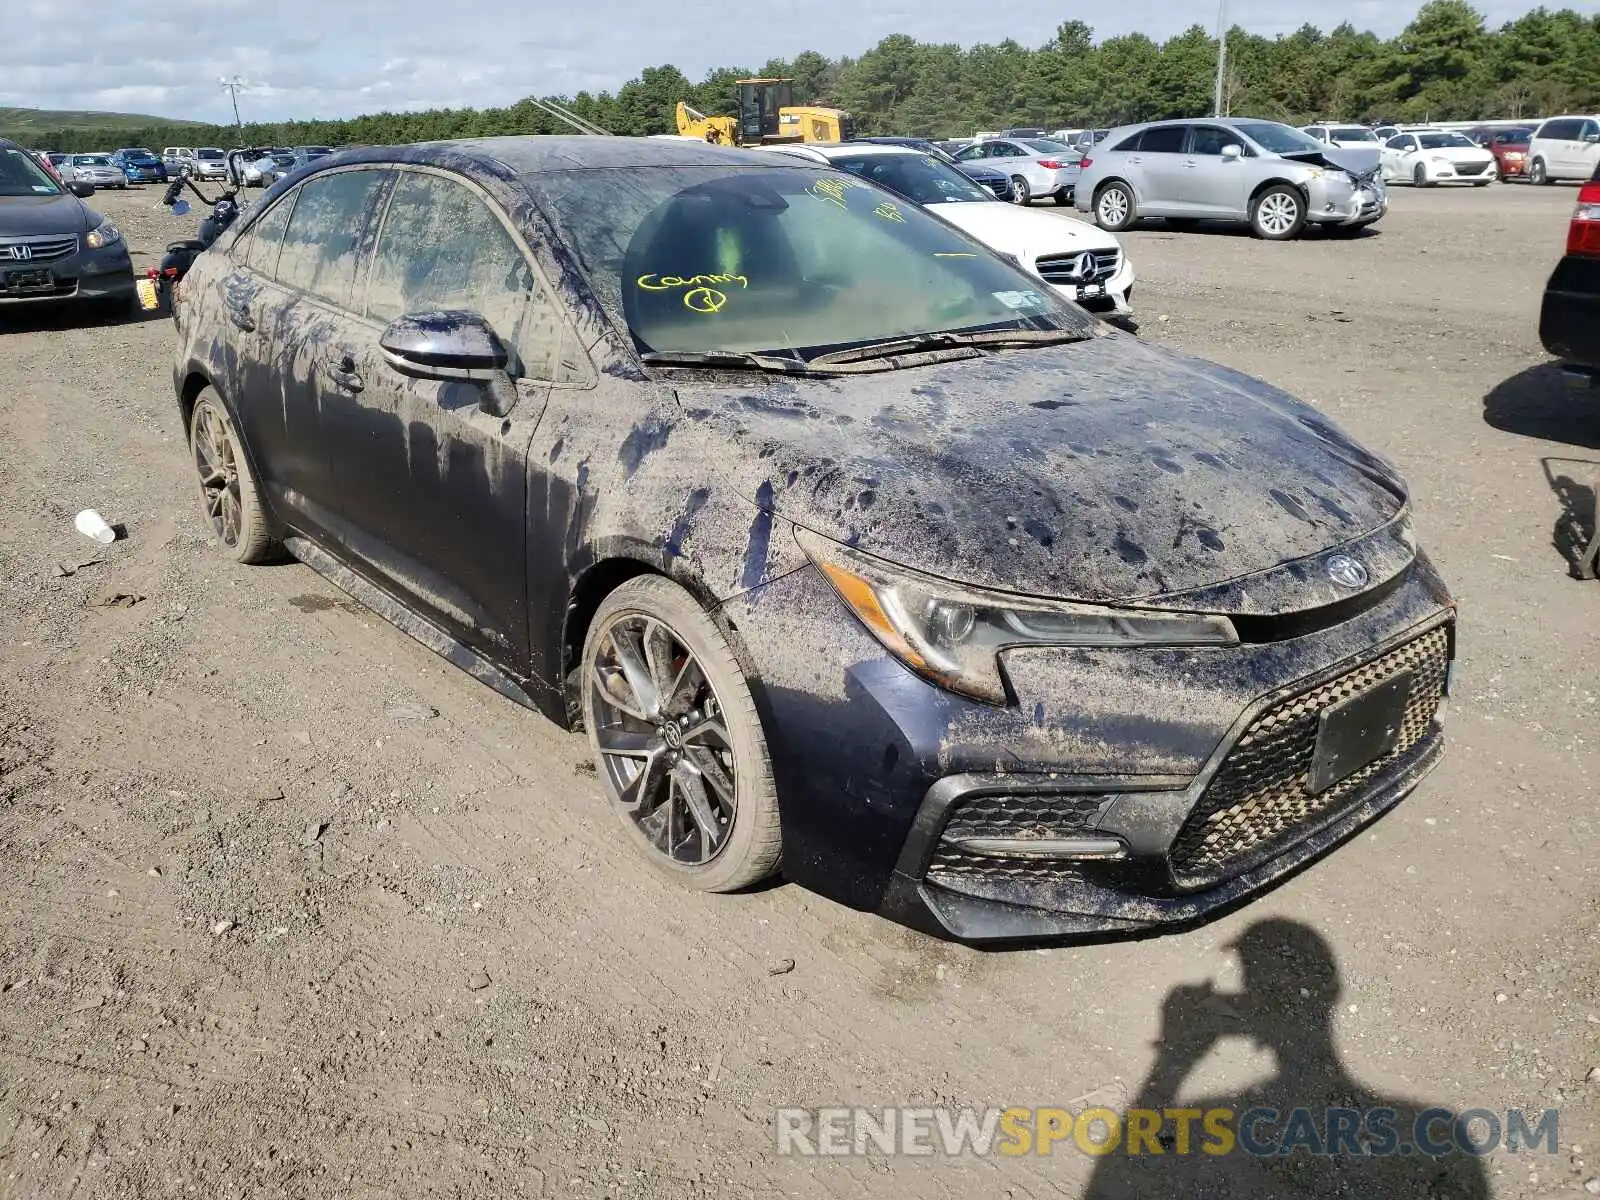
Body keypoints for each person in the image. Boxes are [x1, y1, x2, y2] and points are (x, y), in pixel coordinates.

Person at [1084, 919, 1491, 1199]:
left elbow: (1119, 1172)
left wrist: (1172, 1060)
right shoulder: (1441, 1128)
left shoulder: (1209, 1115)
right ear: (1332, 991)